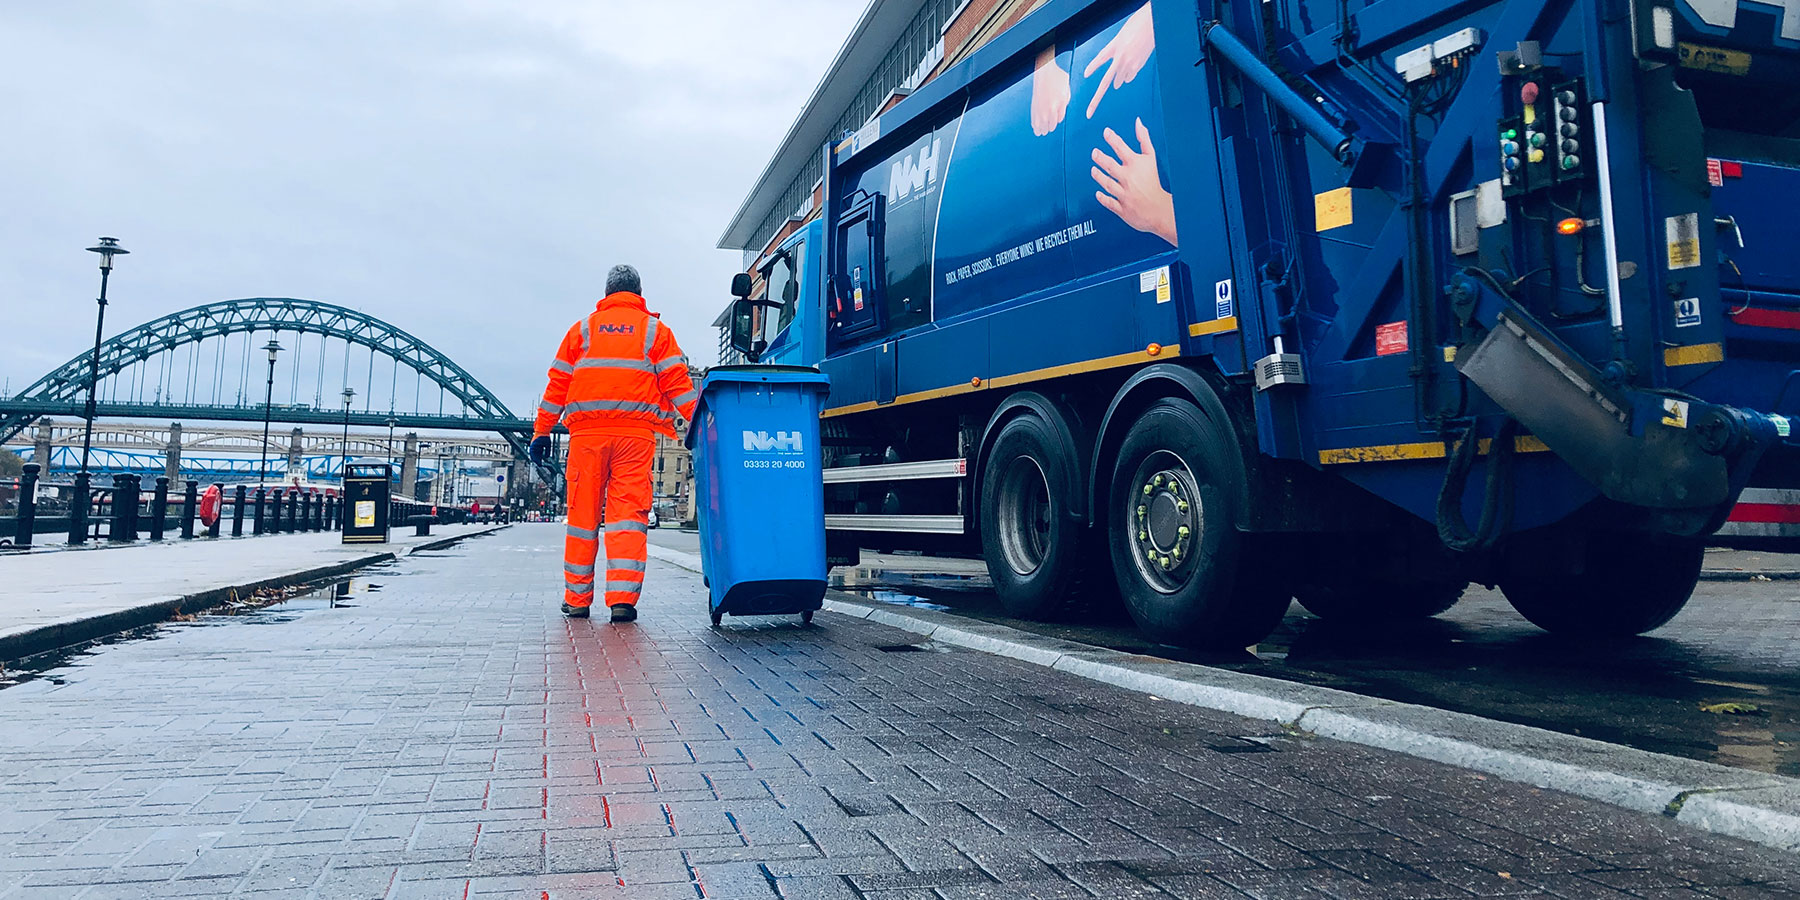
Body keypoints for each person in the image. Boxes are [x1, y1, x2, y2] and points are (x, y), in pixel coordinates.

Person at [530, 265, 699, 622]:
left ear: (606, 294)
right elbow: (678, 386)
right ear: (639, 293)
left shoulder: (581, 331)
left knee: (582, 518)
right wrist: (705, 420)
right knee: (627, 520)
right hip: (635, 439)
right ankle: (622, 601)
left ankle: (577, 600)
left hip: (586, 438)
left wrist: (542, 432)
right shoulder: (656, 332)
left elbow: (556, 386)